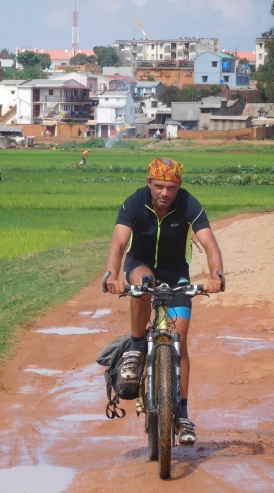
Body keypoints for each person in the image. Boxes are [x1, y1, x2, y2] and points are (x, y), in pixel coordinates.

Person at [104, 157, 224, 445]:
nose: (165, 193)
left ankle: (181, 413)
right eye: (159, 186)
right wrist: (112, 274)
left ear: (179, 185)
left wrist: (216, 275)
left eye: (171, 187)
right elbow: (119, 243)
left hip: (176, 272)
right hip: (140, 264)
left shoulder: (188, 203)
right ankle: (135, 347)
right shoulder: (135, 202)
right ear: (149, 183)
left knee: (179, 339)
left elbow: (209, 243)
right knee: (144, 285)